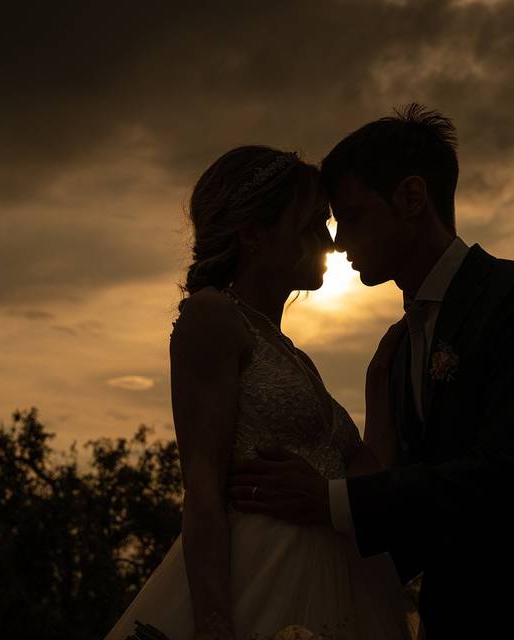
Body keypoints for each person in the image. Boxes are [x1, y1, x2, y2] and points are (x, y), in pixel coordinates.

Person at [228, 106, 514, 638]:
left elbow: (507, 478)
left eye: (352, 217)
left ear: (411, 198)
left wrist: (329, 499)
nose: (338, 243)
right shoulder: (400, 351)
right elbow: (419, 520)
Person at [104, 146, 415, 640]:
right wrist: (213, 624)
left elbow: (366, 478)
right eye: (311, 225)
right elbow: (202, 489)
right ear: (253, 233)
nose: (330, 243)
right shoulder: (212, 317)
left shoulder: (294, 356)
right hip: (260, 587)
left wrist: (378, 383)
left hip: (342, 590)